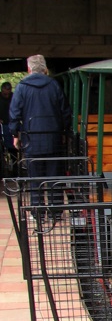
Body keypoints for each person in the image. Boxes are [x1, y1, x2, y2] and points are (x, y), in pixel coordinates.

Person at [9, 55, 72, 214]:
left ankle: (37, 211)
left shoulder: (22, 87)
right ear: (44, 69)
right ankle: (56, 210)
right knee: (54, 176)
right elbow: (65, 111)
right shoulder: (54, 85)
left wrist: (15, 134)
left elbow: (15, 112)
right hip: (53, 137)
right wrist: (64, 130)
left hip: (32, 138)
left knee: (35, 178)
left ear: (29, 69)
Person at [0, 81, 17, 177]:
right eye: (4, 93)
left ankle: (15, 170)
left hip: (11, 125)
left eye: (8, 93)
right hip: (2, 125)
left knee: (13, 149)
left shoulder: (14, 97)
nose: (6, 95)